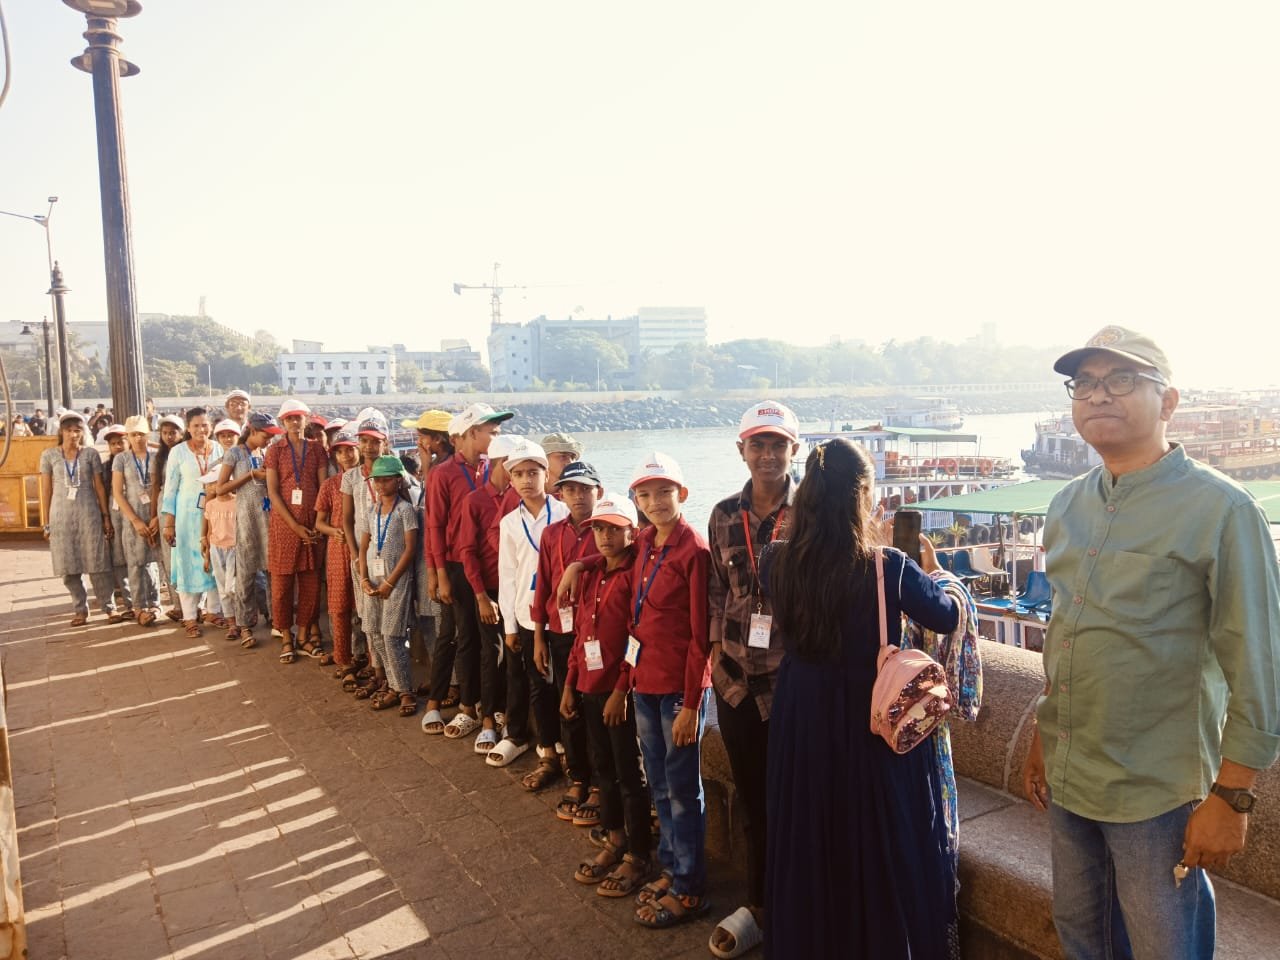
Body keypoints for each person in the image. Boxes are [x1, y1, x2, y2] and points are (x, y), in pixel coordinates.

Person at [1021, 327, 1280, 960]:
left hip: (1157, 791)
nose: (1098, 395)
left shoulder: (1221, 509)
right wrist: (1040, 735)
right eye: (1084, 382)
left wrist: (1233, 795)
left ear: (1168, 402)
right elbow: (1067, 634)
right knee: (1082, 935)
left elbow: (1259, 663)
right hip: (1071, 771)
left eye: (1122, 380)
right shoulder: (1067, 505)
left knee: (1167, 947)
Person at [765, 438, 960, 958]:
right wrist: (938, 573)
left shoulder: (774, 560)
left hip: (801, 711)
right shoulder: (887, 566)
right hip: (866, 716)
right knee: (874, 840)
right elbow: (947, 615)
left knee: (809, 831)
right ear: (863, 495)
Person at [705, 401, 801, 958]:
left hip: (794, 683)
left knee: (799, 796)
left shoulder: (814, 512)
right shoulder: (721, 514)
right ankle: (761, 904)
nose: (767, 454)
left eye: (778, 444)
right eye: (757, 444)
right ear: (740, 450)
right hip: (737, 681)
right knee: (752, 798)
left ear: (796, 449)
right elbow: (719, 588)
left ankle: (802, 899)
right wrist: (718, 650)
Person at [622, 452, 713, 930]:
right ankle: (671, 867)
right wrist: (579, 567)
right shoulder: (644, 542)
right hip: (644, 683)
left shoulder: (693, 549)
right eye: (645, 494)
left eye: (664, 492)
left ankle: (691, 887)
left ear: (682, 494)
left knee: (682, 790)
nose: (655, 502)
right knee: (658, 783)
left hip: (678, 691)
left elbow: (703, 638)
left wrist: (693, 706)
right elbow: (609, 554)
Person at [560, 493, 654, 897]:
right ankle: (615, 837)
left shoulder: (636, 575)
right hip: (588, 687)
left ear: (632, 532)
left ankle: (639, 854)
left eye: (614, 529)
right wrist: (568, 683)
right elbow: (583, 635)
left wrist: (621, 689)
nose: (604, 536)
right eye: (599, 528)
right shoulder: (591, 575)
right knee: (603, 770)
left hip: (620, 692)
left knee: (630, 774)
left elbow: (637, 639)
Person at [427, 402, 512, 740]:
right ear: (471, 433)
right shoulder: (443, 473)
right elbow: (434, 525)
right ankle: (468, 705)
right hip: (457, 565)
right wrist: (438, 575)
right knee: (464, 637)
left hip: (491, 567)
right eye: (491, 431)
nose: (496, 436)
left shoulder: (493, 469)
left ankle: (488, 707)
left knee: (490, 643)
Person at [490, 440, 568, 767]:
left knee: (564, 681)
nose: (526, 480)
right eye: (519, 474)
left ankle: (568, 741)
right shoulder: (509, 523)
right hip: (525, 614)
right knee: (537, 682)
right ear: (510, 480)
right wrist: (509, 626)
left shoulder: (563, 512)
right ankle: (546, 745)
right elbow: (506, 577)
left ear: (546, 475)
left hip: (562, 615)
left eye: (533, 472)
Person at [532, 461, 603, 809]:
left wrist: (580, 564)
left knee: (597, 708)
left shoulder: (608, 529)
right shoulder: (551, 534)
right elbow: (543, 585)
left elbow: (620, 555)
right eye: (570, 489)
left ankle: (602, 782)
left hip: (596, 634)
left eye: (584, 489)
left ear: (598, 492)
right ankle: (579, 776)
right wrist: (537, 636)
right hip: (561, 631)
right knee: (568, 705)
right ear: (560, 493)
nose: (577, 496)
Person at [455, 433, 521, 752]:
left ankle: (508, 716)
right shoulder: (475, 501)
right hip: (488, 589)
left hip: (516, 587)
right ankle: (487, 723)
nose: (519, 474)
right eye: (514, 468)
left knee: (513, 654)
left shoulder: (519, 497)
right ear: (499, 464)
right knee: (490, 651)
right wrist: (481, 596)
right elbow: (467, 550)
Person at [265, 398, 328, 662]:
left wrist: (317, 521)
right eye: (289, 418)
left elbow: (323, 486)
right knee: (282, 585)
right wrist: (294, 525)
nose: (294, 421)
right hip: (284, 525)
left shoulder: (317, 450)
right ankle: (286, 636)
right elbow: (273, 492)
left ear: (306, 419)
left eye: (298, 417)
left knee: (310, 584)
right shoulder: (275, 450)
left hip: (313, 523)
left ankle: (303, 635)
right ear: (282, 422)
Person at [357, 455, 420, 718]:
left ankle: (404, 690)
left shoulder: (405, 510)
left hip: (396, 582)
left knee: (393, 635)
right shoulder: (372, 510)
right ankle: (392, 684)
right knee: (374, 632)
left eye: (385, 480)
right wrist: (363, 577)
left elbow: (410, 549)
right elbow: (364, 546)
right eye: (377, 480)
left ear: (398, 480)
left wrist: (390, 582)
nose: (381, 485)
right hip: (372, 580)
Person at [39, 411, 115, 626]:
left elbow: (99, 487)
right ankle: (80, 609)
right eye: (69, 430)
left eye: (77, 430)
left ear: (83, 433)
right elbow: (46, 490)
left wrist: (105, 516)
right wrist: (46, 523)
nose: (73, 434)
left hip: (88, 514)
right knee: (67, 564)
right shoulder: (49, 456)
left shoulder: (90, 454)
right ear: (61, 432)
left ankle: (109, 607)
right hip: (60, 515)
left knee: (97, 560)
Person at [216, 412, 281, 648]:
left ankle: (277, 620)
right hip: (246, 521)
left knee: (274, 571)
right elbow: (220, 489)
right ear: (252, 431)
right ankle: (244, 625)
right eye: (266, 436)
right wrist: (249, 475)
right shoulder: (235, 453)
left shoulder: (269, 452)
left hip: (269, 518)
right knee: (245, 574)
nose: (269, 440)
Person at [160, 407, 222, 638]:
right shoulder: (178, 452)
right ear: (188, 428)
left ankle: (213, 611)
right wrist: (169, 523)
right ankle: (189, 617)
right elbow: (171, 489)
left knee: (214, 559)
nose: (201, 429)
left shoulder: (218, 448)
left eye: (205, 425)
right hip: (186, 516)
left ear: (211, 427)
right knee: (187, 561)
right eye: (196, 425)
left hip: (214, 514)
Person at [341, 413, 390, 693]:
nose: (369, 446)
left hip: (389, 554)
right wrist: (355, 554)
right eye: (364, 440)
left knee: (391, 618)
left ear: (384, 443)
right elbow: (348, 519)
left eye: (375, 441)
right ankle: (377, 670)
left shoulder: (394, 474)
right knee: (369, 618)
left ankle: (394, 675)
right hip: (362, 554)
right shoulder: (350, 477)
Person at [315, 429, 360, 673]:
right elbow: (319, 522)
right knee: (340, 606)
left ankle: (368, 659)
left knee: (365, 607)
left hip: (364, 548)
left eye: (350, 449)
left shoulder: (370, 480)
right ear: (335, 457)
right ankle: (343, 658)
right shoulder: (331, 485)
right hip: (338, 548)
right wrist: (334, 532)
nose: (346, 455)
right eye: (340, 452)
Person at [112, 415, 162, 627]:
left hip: (156, 514)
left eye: (142, 434)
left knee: (155, 562)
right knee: (135, 563)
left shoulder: (157, 456)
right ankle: (139, 607)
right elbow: (117, 492)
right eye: (133, 434)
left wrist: (158, 517)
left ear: (148, 434)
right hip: (132, 517)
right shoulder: (121, 459)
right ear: (127, 436)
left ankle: (156, 605)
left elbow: (164, 486)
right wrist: (135, 521)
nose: (138, 438)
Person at [97, 423, 135, 623]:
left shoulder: (136, 461)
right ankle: (129, 603)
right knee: (119, 557)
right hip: (114, 513)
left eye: (121, 442)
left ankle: (142, 602)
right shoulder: (105, 467)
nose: (118, 446)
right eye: (113, 443)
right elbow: (102, 492)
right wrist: (105, 518)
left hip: (136, 510)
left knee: (137, 556)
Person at [152, 413, 186, 621]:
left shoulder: (187, 452)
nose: (168, 436)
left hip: (187, 504)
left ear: (181, 433)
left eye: (173, 432)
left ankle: (197, 605)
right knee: (170, 555)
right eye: (164, 433)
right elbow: (155, 486)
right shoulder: (159, 457)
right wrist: (153, 517)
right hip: (165, 506)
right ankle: (178, 605)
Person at [200, 468, 240, 638]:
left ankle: (243, 619)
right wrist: (208, 555)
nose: (209, 487)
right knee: (223, 589)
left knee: (233, 587)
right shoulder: (210, 504)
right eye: (208, 484)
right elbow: (209, 531)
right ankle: (232, 623)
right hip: (217, 549)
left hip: (234, 549)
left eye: (212, 483)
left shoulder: (238, 502)